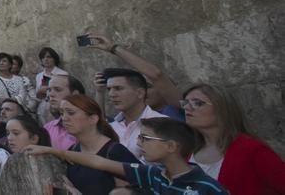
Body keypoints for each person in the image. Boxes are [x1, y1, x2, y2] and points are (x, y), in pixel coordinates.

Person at [25, 118, 227, 194]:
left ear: (171, 146)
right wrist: (53, 151)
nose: (139, 143)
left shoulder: (208, 188)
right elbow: (99, 162)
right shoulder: (152, 174)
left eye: (145, 138)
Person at [182, 83, 285, 193]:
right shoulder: (188, 151)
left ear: (222, 109)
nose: (187, 108)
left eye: (197, 103)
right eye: (185, 103)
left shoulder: (251, 149)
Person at [83, 33, 183, 120]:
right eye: (109, 89)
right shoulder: (123, 119)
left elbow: (157, 75)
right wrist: (100, 92)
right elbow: (101, 128)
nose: (142, 91)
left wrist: (113, 48)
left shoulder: (181, 110)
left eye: (148, 86)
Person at [57, 94, 138, 194]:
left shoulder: (115, 152)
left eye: (71, 113)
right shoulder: (71, 151)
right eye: (61, 113)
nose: (64, 118)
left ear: (93, 118)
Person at [103, 68, 168, 159]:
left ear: (140, 93)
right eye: (109, 89)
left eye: (118, 88)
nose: (111, 94)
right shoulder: (111, 126)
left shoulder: (163, 123)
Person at [43, 74, 83, 151]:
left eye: (57, 89)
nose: (50, 94)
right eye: (49, 90)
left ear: (75, 94)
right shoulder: (47, 129)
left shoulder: (92, 124)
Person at [35, 47, 68, 121]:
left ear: (54, 58)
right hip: (42, 109)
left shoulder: (62, 74)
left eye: (49, 57)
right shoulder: (39, 76)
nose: (45, 59)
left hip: (57, 109)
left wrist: (48, 89)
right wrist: (39, 92)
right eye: (43, 57)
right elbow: (37, 96)